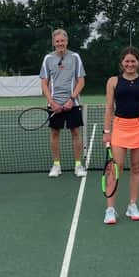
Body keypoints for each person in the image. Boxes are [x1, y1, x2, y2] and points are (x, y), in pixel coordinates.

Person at [102, 47, 139, 224]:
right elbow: (109, 107)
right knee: (116, 168)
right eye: (127, 61)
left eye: (133, 61)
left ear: (138, 63)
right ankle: (110, 209)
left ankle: (132, 205)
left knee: (137, 167)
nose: (130, 64)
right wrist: (107, 132)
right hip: (119, 127)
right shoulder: (113, 81)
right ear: (122, 63)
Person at [39, 28, 87, 178]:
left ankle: (78, 166)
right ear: (54, 43)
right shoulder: (48, 58)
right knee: (54, 133)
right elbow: (44, 83)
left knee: (75, 132)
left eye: (63, 41)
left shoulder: (75, 57)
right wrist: (52, 102)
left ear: (67, 41)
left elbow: (81, 81)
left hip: (73, 103)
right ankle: (56, 165)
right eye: (57, 41)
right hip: (54, 104)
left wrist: (71, 99)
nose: (60, 43)